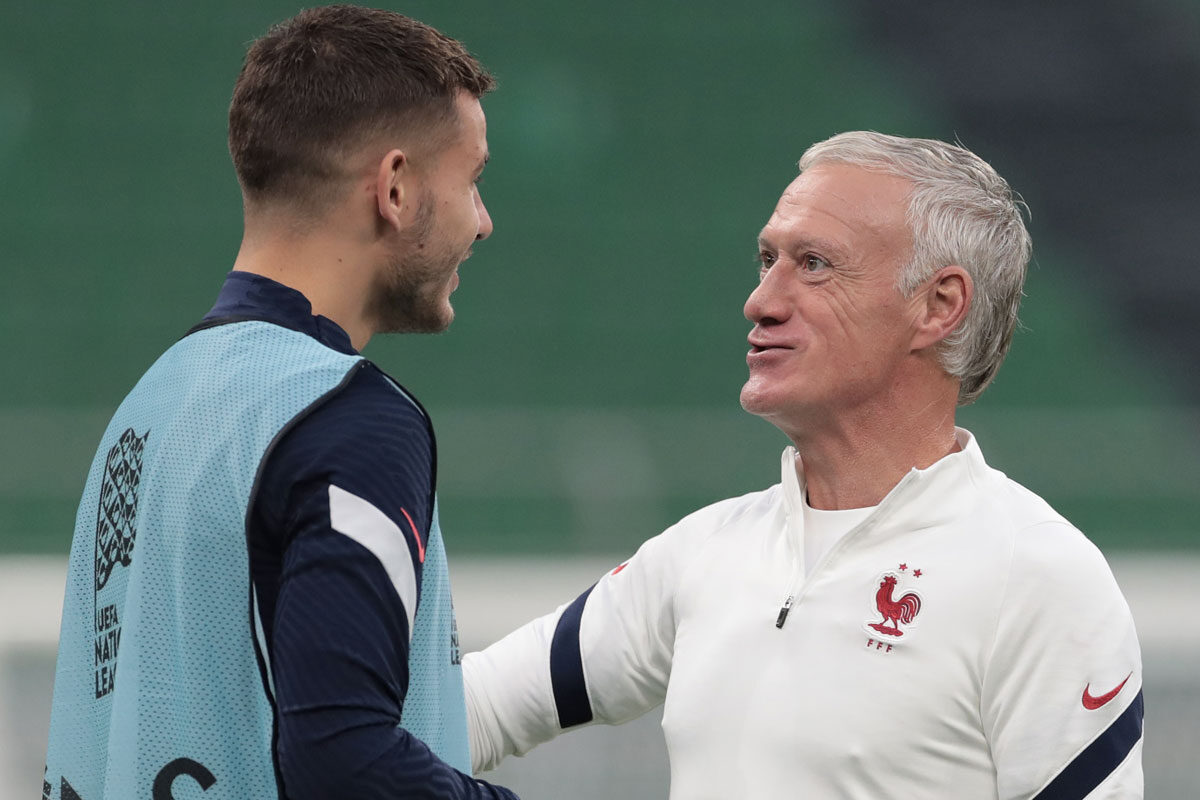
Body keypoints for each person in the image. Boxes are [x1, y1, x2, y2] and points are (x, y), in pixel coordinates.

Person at [463, 132, 1143, 798]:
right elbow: (470, 710)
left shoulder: (1037, 575)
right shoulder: (705, 550)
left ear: (939, 305)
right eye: (768, 259)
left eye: (814, 264)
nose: (761, 301)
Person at [43, 6, 518, 799]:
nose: (483, 222)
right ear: (395, 187)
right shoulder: (348, 420)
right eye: (471, 180)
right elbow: (346, 760)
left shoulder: (145, 410)